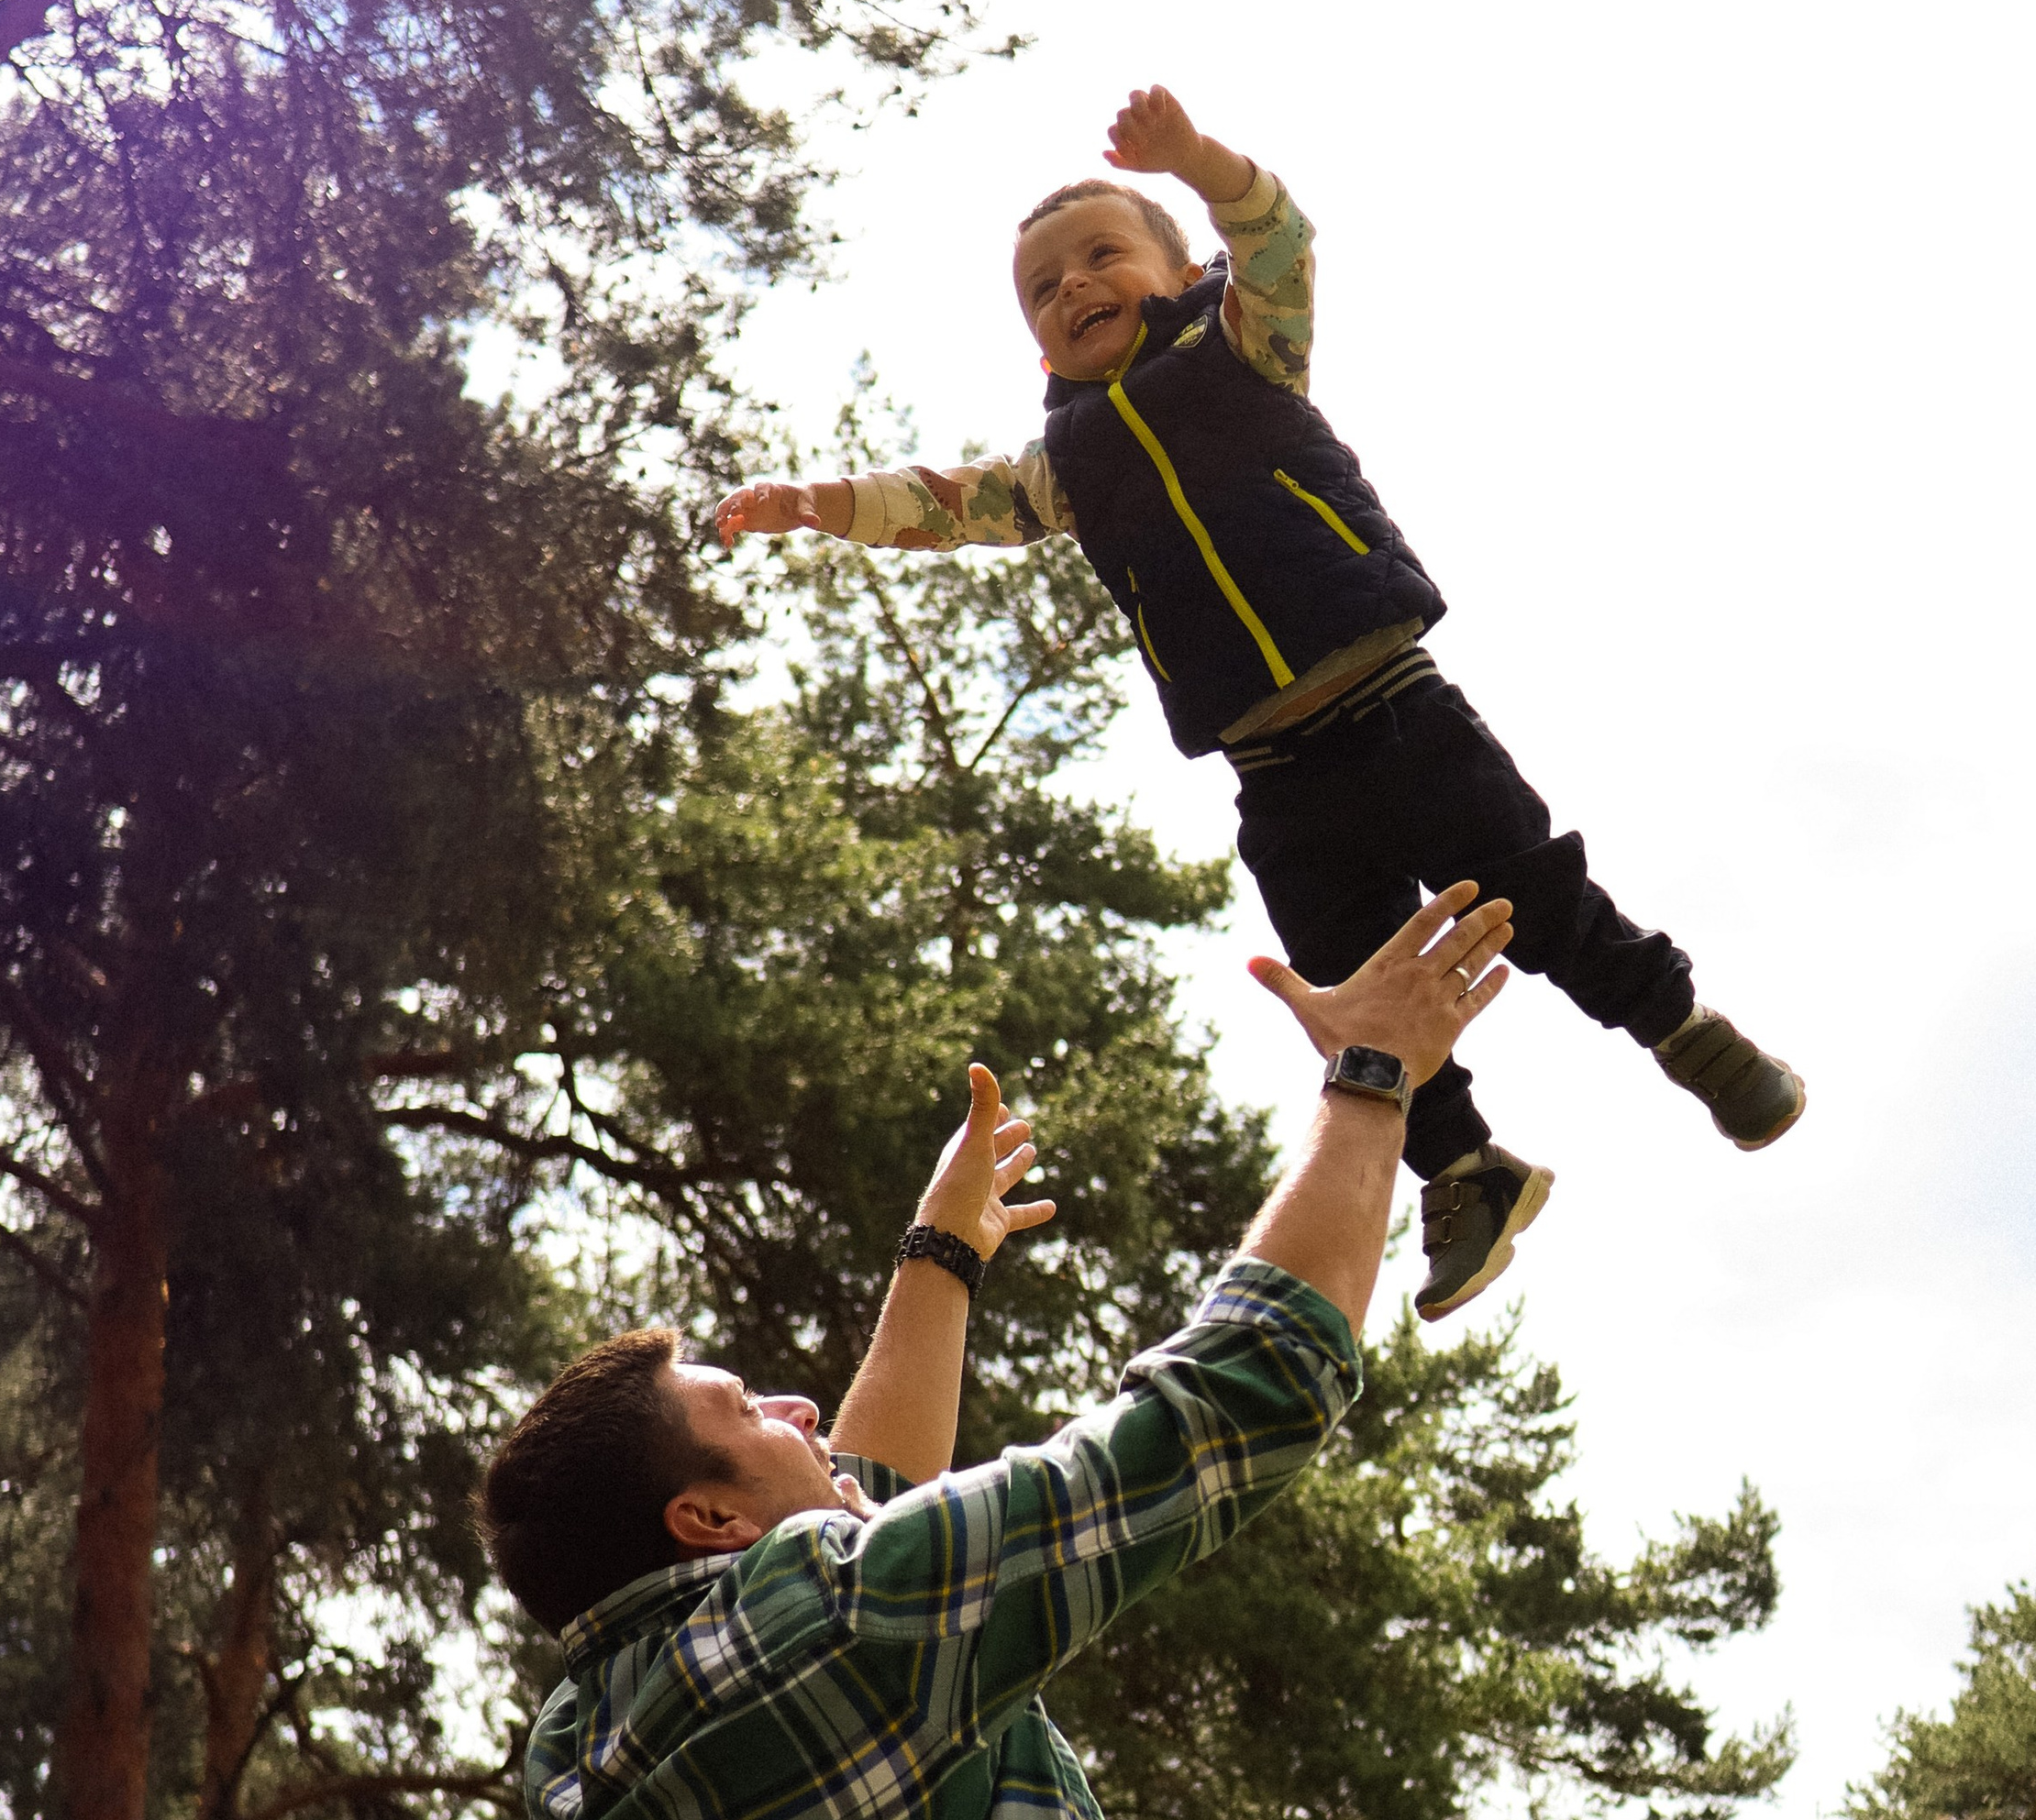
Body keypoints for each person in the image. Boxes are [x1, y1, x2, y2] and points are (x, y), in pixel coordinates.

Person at [481, 886, 1514, 1820]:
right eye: (745, 1407)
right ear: (705, 1522)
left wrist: (941, 1257)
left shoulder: (604, 1728)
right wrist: (1373, 1080)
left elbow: (871, 1519)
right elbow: (1242, 1392)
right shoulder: (829, 1628)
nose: (796, 1403)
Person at [714, 83, 1804, 1322]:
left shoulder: (1243, 346)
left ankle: (1687, 1035)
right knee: (1349, 996)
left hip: (1398, 709)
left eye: (1102, 256)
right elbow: (944, 504)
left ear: (1185, 274)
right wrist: (816, 505)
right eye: (1044, 289)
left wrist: (1192, 159)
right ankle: (1465, 1173)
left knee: (1534, 897)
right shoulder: (1062, 469)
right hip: (1277, 779)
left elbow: (1281, 240)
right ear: (1040, 349)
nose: (1074, 287)